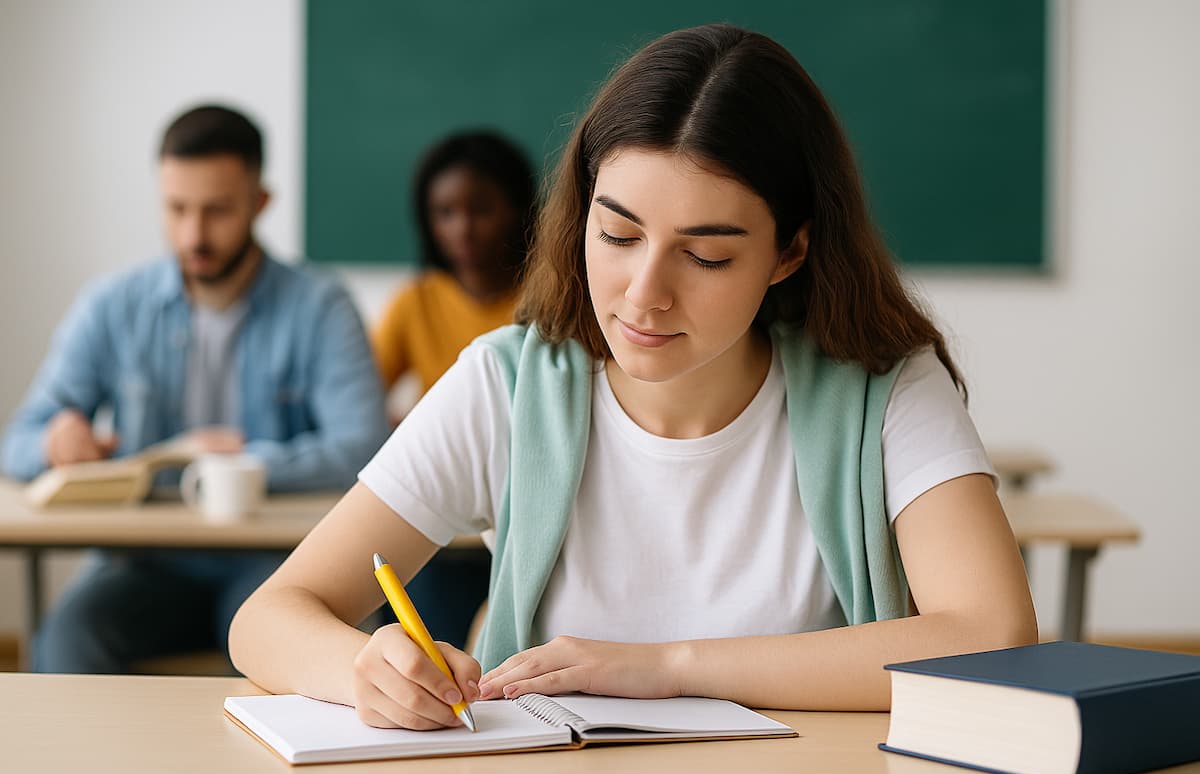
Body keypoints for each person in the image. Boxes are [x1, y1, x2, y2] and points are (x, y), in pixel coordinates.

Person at [229, 24, 1036, 729]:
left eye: (707, 254)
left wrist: (669, 667)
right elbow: (266, 619)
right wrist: (362, 672)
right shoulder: (509, 385)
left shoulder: (883, 386)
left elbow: (991, 635)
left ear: (790, 251)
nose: (645, 294)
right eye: (617, 235)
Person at [1, 105, 389, 673]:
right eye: (176, 209)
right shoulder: (112, 305)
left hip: (280, 563)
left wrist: (235, 469)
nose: (193, 234)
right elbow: (18, 441)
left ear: (260, 203)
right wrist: (54, 445)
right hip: (146, 564)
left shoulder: (320, 305)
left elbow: (362, 447)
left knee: (285, 650)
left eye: (216, 211)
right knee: (67, 639)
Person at [369, 131, 536, 649]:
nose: (462, 227)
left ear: (517, 210)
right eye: (445, 212)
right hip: (442, 522)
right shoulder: (414, 302)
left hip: (520, 512)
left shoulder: (548, 297)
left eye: (481, 209)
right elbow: (358, 406)